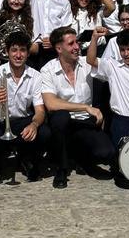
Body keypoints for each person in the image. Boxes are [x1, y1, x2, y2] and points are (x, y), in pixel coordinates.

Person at [41, 27, 115, 188]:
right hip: (63, 124)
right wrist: (85, 107)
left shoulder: (86, 63)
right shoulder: (48, 70)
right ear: (59, 49)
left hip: (84, 123)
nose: (77, 47)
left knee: (106, 152)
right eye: (71, 44)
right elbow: (51, 103)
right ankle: (61, 168)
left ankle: (80, 156)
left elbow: (115, 68)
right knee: (61, 117)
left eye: (77, 42)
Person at [0, 32, 52, 184]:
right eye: (14, 50)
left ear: (27, 53)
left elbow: (40, 111)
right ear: (7, 52)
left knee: (44, 132)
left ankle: (27, 159)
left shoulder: (35, 76)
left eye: (22, 50)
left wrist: (34, 124)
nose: (18, 55)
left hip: (22, 120)